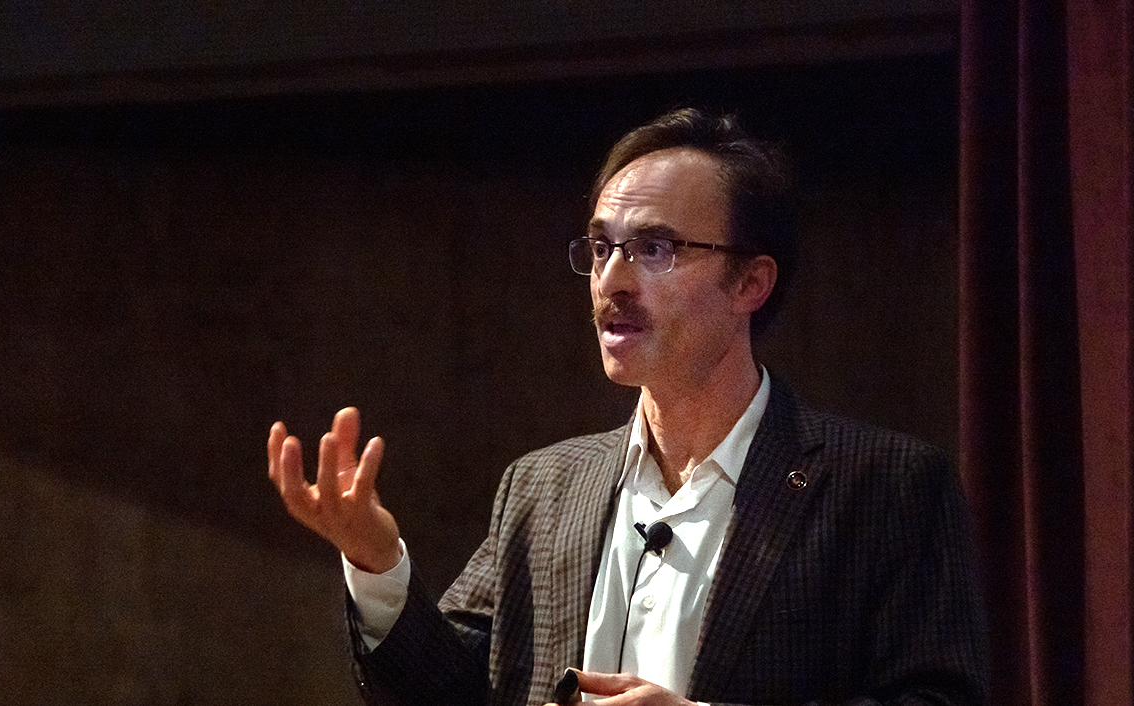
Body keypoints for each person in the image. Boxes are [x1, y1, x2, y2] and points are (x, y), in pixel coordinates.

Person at [268, 108, 988, 706]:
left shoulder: (886, 488)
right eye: (603, 247)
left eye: (656, 248)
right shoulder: (543, 489)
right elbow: (448, 693)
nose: (613, 279)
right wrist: (375, 560)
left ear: (751, 283)